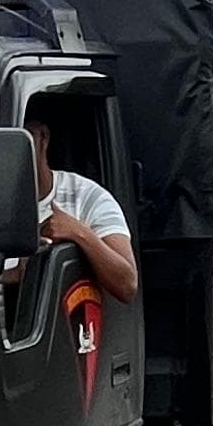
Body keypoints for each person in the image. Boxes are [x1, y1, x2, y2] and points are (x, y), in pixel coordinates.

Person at [23, 112, 139, 308]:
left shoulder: (87, 198)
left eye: (22, 138)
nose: (13, 151)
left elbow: (127, 285)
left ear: (43, 137)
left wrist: (78, 232)